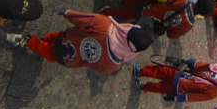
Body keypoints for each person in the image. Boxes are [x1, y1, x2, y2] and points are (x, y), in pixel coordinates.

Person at [12, 10, 155, 74]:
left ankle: (32, 40)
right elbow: (92, 65)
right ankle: (31, 42)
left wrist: (67, 13)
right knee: (48, 52)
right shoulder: (114, 65)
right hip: (68, 59)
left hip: (68, 38)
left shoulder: (104, 24)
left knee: (53, 38)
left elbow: (81, 18)